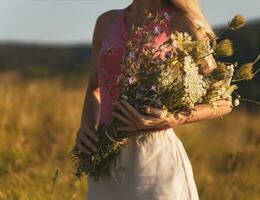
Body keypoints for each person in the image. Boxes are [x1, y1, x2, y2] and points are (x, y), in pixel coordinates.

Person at [72, 0, 233, 199]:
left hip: (154, 164)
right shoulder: (106, 22)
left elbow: (225, 101)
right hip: (104, 162)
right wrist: (86, 127)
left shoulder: (183, 22)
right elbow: (94, 89)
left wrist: (172, 118)